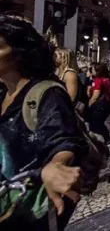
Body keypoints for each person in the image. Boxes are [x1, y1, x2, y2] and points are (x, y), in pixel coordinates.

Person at [0, 15, 86, 230]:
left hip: (29, 209)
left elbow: (63, 140)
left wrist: (56, 166)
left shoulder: (47, 93)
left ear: (19, 53)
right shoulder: (3, 92)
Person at [87, 63, 110, 146]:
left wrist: (89, 104)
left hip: (100, 105)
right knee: (99, 122)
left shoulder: (98, 80)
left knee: (96, 123)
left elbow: (96, 95)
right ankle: (106, 140)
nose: (91, 71)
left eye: (92, 69)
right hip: (109, 104)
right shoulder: (109, 79)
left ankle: (106, 140)